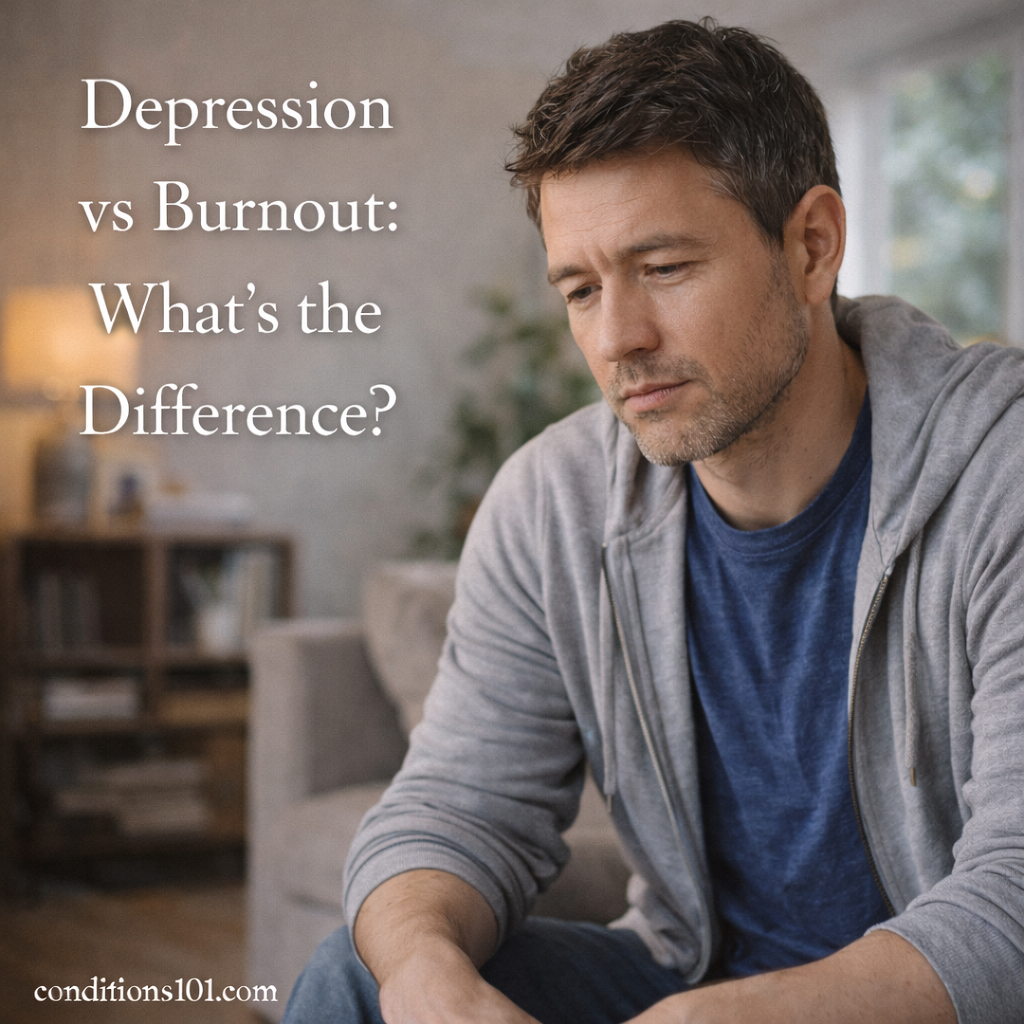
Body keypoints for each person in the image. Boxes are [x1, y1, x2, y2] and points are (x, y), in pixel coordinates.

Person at [283, 19, 1024, 1024]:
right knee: (362, 976)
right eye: (581, 289)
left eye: (665, 268)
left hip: (934, 1001)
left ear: (811, 246)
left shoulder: (1000, 471)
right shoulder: (553, 503)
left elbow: (1012, 901)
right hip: (683, 976)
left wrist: (715, 1021)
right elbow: (453, 806)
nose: (618, 339)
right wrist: (425, 977)